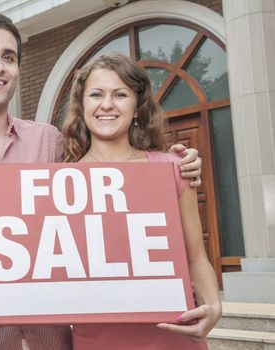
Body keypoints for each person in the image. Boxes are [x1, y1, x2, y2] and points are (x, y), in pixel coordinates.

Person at [0, 13, 202, 350]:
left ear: (16, 70)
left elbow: (115, 173)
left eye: (8, 57)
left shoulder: (49, 142)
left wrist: (175, 164)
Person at [61, 52, 221, 349]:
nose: (107, 104)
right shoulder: (61, 182)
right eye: (96, 94)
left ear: (137, 106)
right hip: (97, 339)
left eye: (120, 94)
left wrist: (213, 304)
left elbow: (195, 255)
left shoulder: (173, 168)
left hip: (172, 335)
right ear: (82, 105)